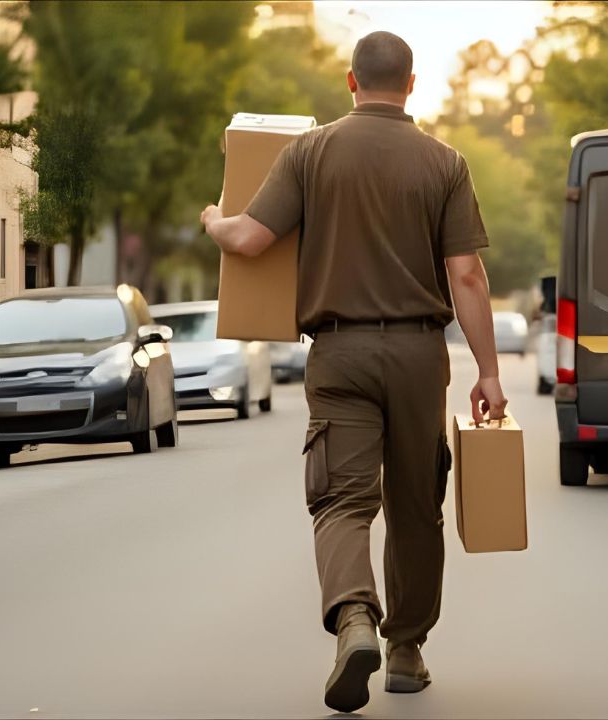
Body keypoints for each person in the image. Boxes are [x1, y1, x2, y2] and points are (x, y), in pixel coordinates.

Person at [200, 30, 508, 714]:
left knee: (341, 501)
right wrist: (487, 372)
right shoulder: (445, 163)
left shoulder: (308, 153)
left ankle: (354, 618)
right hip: (418, 356)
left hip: (338, 353)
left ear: (350, 81)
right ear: (412, 84)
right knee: (415, 506)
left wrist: (216, 221)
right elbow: (465, 273)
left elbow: (251, 239)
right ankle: (405, 650)